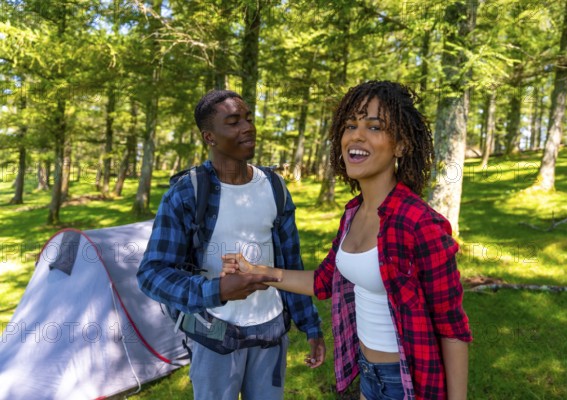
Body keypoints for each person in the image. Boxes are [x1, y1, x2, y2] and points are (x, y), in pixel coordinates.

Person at [222, 81, 473, 400]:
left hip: (408, 381)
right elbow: (325, 281)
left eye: (374, 126)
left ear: (401, 145)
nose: (356, 134)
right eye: (350, 125)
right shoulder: (353, 214)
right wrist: (257, 272)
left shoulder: (420, 224)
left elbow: (451, 328)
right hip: (367, 374)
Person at [137, 89, 326, 400]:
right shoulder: (187, 193)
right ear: (209, 137)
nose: (248, 127)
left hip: (270, 332)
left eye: (249, 119)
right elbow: (152, 273)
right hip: (214, 333)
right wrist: (217, 291)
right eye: (234, 122)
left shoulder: (275, 187)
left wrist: (311, 326)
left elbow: (291, 263)